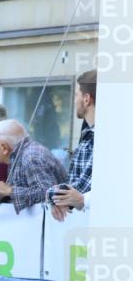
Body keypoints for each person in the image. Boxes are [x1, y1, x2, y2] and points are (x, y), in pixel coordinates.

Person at [0, 119, 67, 213]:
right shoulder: (20, 154)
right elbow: (29, 190)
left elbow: (49, 193)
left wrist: (10, 190)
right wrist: (0, 189)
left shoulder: (31, 157)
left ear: (4, 147)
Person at [50, 69, 95, 221]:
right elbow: (71, 185)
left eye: (76, 95)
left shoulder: (100, 137)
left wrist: (53, 195)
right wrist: (58, 196)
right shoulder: (88, 133)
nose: (74, 100)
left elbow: (80, 188)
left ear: (87, 99)